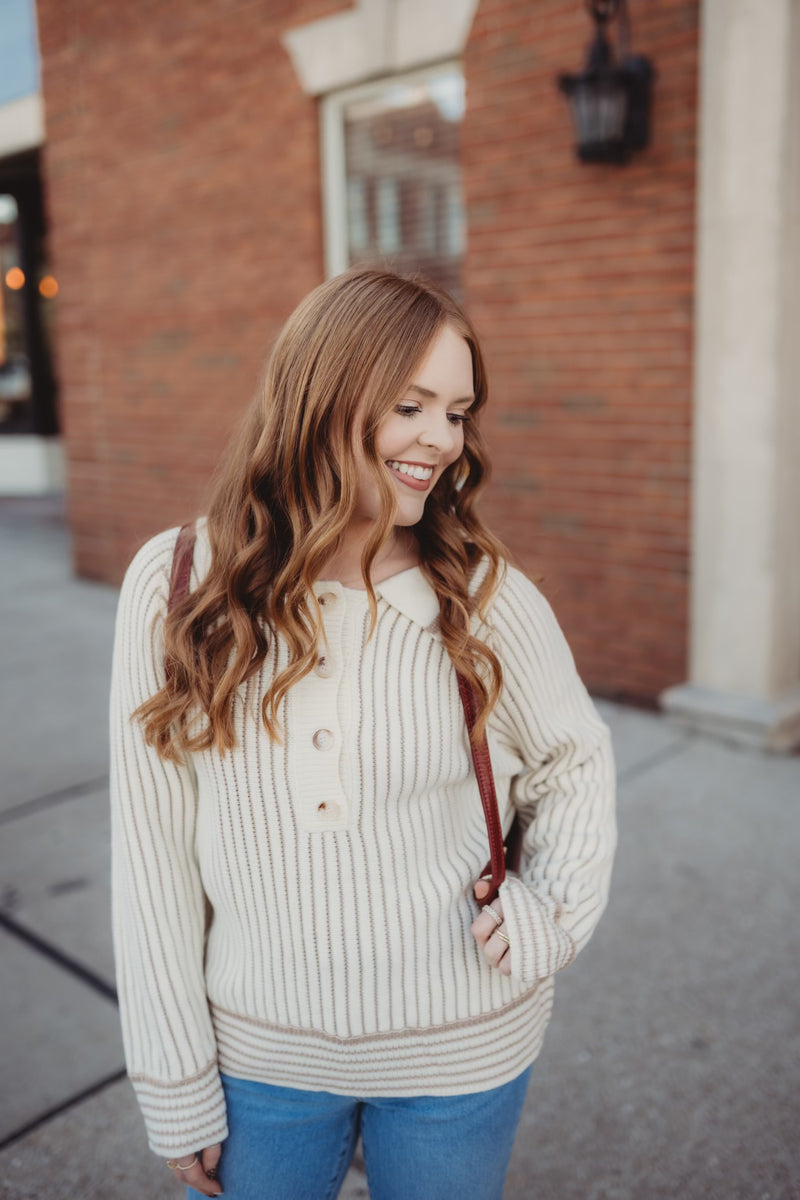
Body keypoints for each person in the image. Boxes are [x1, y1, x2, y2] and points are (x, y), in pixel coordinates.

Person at [109, 267, 617, 1200]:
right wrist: (173, 1079)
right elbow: (152, 858)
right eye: (410, 403)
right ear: (321, 393)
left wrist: (557, 913)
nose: (441, 439)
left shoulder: (484, 593)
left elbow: (573, 759)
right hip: (258, 1058)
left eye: (458, 412)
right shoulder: (179, 584)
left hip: (461, 1052)